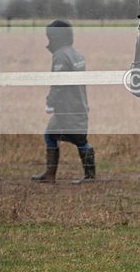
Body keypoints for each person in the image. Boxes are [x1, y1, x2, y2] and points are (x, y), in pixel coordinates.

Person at [31, 20, 96, 184]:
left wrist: (50, 102)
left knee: (78, 139)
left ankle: (87, 176)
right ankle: (51, 174)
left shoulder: (60, 55)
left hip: (67, 106)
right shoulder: (76, 53)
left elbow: (58, 83)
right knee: (56, 135)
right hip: (79, 104)